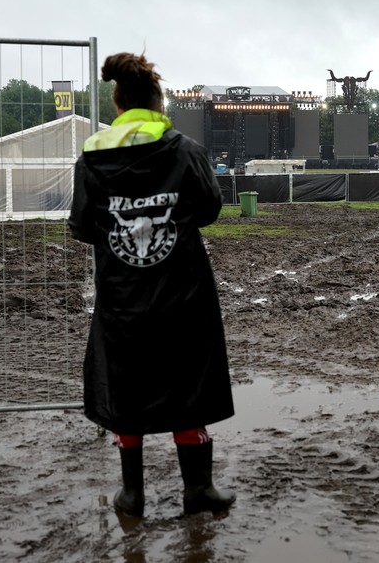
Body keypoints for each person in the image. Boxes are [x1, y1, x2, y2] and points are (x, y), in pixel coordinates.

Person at [69, 52, 236, 518]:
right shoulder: (184, 149)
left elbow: (81, 226)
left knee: (126, 388)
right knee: (187, 386)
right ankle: (198, 489)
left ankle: (131, 494)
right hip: (182, 295)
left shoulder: (92, 156)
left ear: (118, 103)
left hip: (122, 298)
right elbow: (208, 210)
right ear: (159, 103)